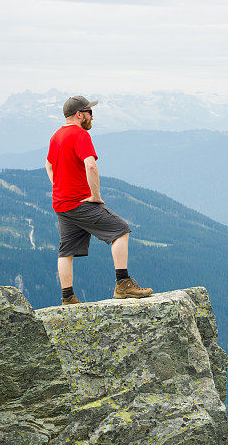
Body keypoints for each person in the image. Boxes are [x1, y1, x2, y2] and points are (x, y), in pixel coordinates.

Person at [45, 95, 152, 305]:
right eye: (89, 112)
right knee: (121, 229)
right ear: (79, 115)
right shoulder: (80, 135)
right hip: (81, 202)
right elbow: (91, 165)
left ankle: (68, 297)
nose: (92, 116)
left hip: (61, 204)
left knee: (66, 251)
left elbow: (48, 165)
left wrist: (58, 186)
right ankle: (123, 284)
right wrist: (95, 196)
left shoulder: (56, 136)